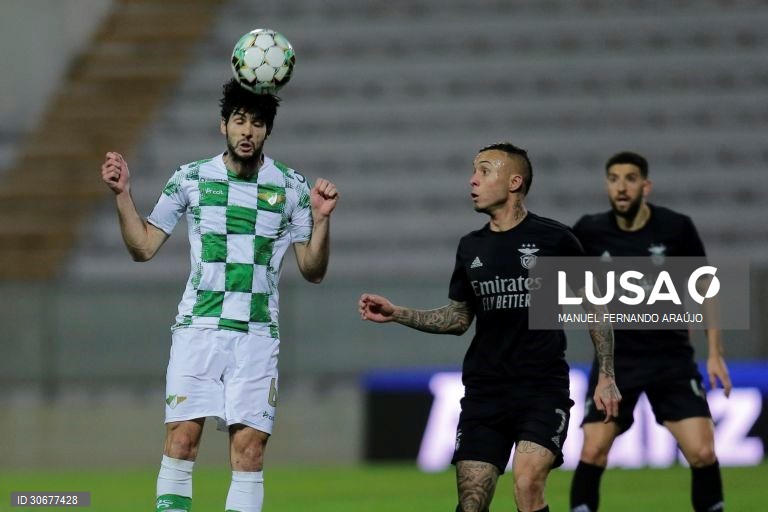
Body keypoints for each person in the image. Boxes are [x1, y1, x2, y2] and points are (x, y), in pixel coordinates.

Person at [100, 78, 338, 512]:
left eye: (258, 124)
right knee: (182, 442)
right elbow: (144, 247)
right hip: (199, 330)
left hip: (256, 336)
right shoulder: (190, 178)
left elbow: (313, 270)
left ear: (268, 131)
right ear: (223, 125)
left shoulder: (291, 186)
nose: (247, 131)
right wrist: (123, 196)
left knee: (249, 454)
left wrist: (322, 222)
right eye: (239, 121)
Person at [359, 143, 621, 512]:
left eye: (484, 171)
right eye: (473, 171)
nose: (473, 180)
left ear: (514, 181)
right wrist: (397, 313)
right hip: (485, 393)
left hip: (541, 389)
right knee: (471, 502)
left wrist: (606, 375)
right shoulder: (471, 247)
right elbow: (458, 319)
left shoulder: (555, 239)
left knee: (528, 483)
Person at [569, 151, 731, 512]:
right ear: (607, 185)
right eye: (613, 179)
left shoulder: (676, 228)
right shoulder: (589, 231)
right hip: (617, 362)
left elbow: (706, 289)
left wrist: (715, 353)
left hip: (670, 359)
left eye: (629, 179)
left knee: (703, 452)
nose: (621, 187)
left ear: (646, 185)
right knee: (593, 450)